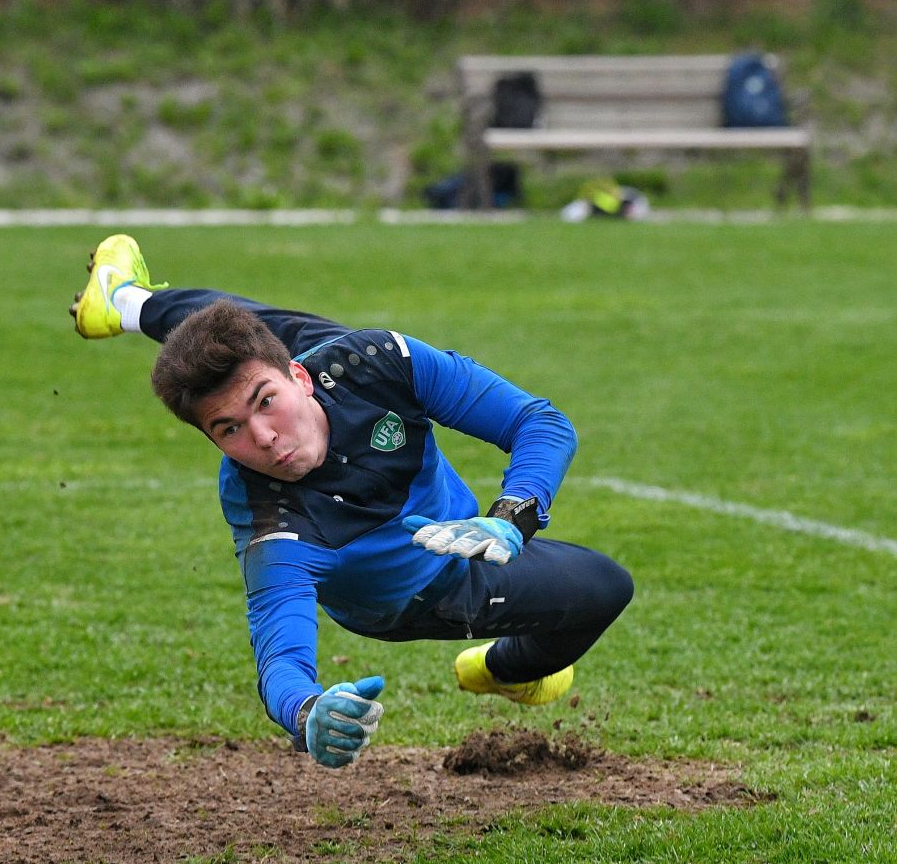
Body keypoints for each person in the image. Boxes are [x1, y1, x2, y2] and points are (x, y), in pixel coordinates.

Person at [68, 234, 634, 769]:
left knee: (236, 331)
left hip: (466, 521)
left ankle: (124, 301)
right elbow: (281, 660)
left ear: (301, 375)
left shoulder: (373, 362)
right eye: (228, 430)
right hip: (424, 588)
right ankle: (507, 668)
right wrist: (308, 712)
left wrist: (515, 515)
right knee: (607, 586)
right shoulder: (271, 517)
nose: (263, 438)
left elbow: (538, 422)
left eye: (267, 402)